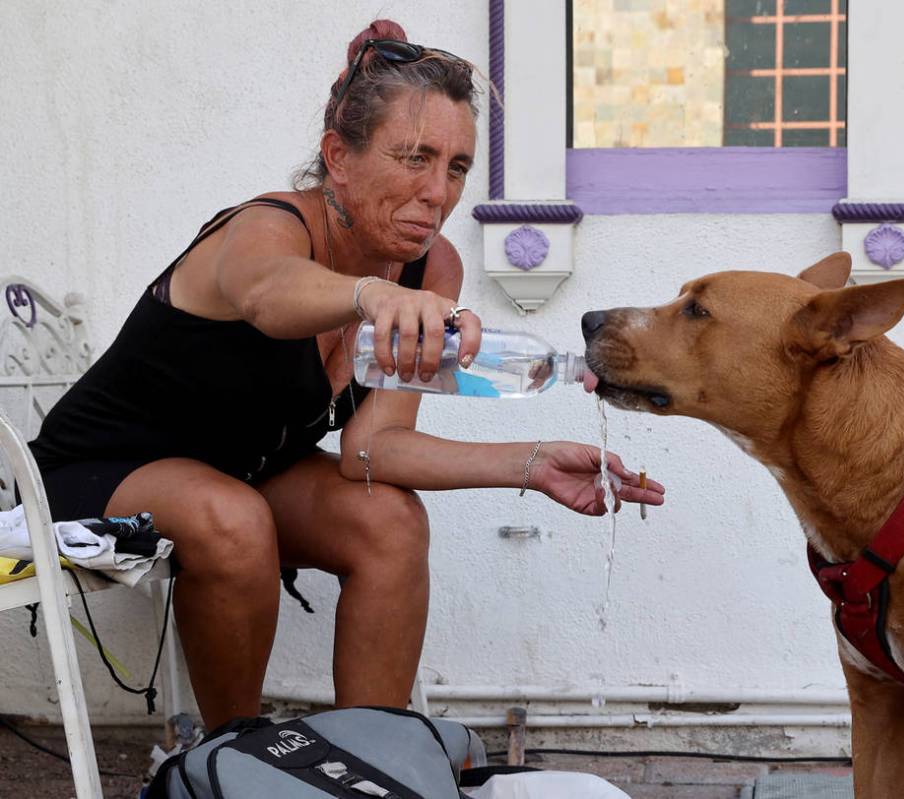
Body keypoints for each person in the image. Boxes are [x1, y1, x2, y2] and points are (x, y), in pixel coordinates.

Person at [29, 19, 663, 730]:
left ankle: (369, 762)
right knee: (231, 520)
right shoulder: (269, 227)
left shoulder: (433, 267)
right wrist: (371, 294)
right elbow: (267, 293)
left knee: (386, 518)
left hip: (242, 473)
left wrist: (534, 461)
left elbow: (373, 447)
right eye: (414, 157)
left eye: (455, 167)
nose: (437, 192)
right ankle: (234, 762)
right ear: (339, 157)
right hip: (97, 467)